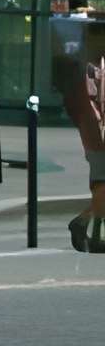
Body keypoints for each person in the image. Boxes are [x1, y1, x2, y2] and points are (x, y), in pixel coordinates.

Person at [64, 17, 105, 253]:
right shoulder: (93, 68)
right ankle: (81, 223)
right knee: (101, 185)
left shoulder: (91, 66)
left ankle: (92, 230)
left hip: (94, 135)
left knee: (100, 184)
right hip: (98, 137)